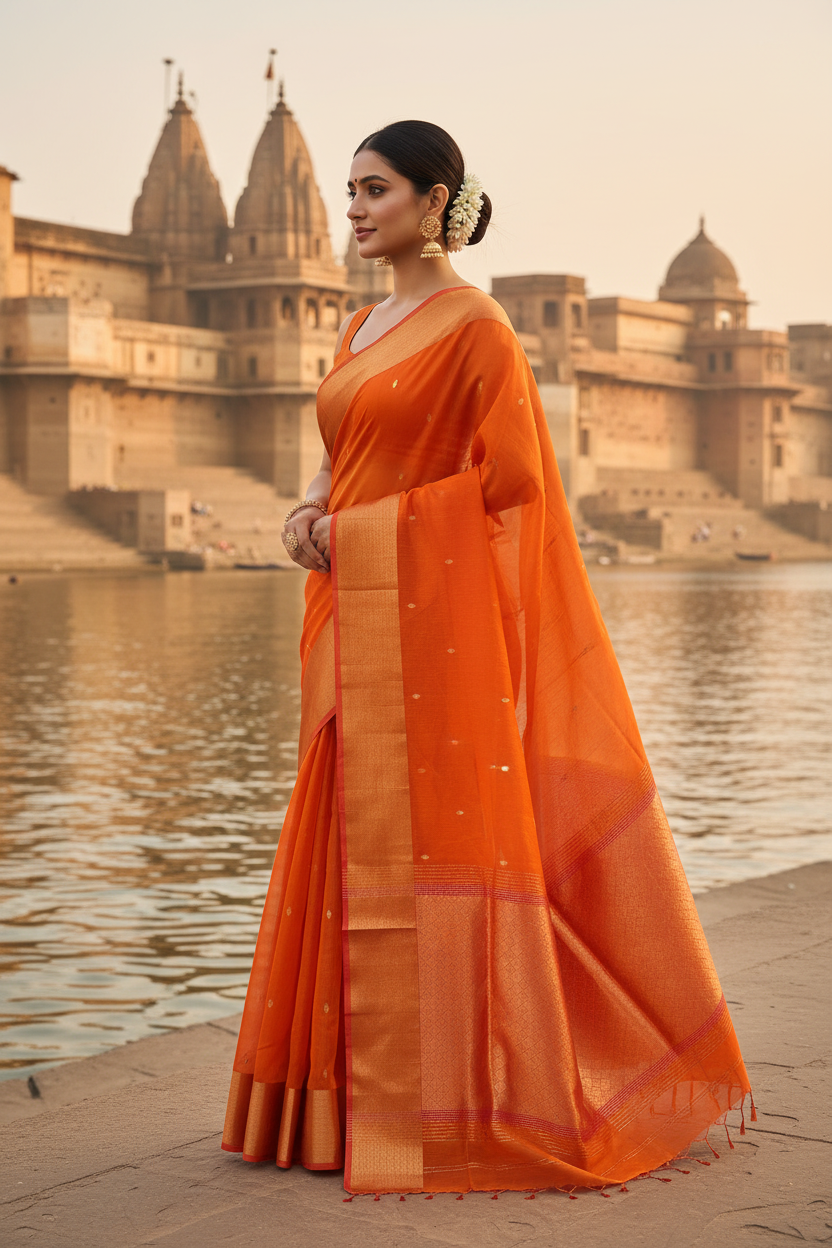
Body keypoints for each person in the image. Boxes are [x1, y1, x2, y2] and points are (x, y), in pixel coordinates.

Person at [221, 121, 751, 1196]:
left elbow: (510, 490)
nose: (356, 209)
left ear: (435, 200)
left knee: (441, 859)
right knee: (340, 844)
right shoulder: (360, 325)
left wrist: (363, 535)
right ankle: (326, 1111)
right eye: (348, 191)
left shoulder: (479, 330)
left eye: (376, 190)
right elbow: (343, 456)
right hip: (353, 615)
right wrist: (311, 513)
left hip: (429, 629)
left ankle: (449, 1103)